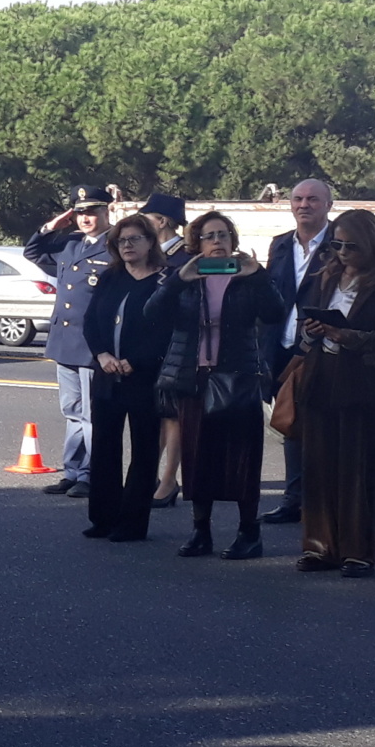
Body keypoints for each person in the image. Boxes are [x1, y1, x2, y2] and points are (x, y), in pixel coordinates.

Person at [145, 210, 284, 560]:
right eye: (210, 236)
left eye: (223, 235)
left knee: (242, 458)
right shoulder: (187, 278)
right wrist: (180, 278)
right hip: (195, 379)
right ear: (198, 243)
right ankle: (200, 530)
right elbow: (151, 314)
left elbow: (274, 314)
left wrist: (259, 276)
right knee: (197, 456)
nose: (217, 241)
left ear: (232, 241)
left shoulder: (246, 278)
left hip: (238, 378)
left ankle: (248, 532)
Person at [292, 210, 375, 576]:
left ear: (370, 244)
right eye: (336, 244)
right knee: (318, 467)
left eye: (350, 246)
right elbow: (305, 330)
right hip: (322, 376)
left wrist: (347, 336)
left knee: (358, 470)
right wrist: (312, 329)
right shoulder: (327, 276)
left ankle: (358, 550)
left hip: (361, 382)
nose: (341, 252)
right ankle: (319, 546)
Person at [80, 214, 173, 541]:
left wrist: (137, 361)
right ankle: (103, 517)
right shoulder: (111, 278)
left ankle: (132, 522)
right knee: (104, 445)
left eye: (134, 239)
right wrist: (102, 354)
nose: (128, 246)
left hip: (143, 377)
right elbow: (91, 321)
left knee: (145, 449)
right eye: (122, 241)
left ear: (151, 242)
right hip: (106, 374)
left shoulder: (164, 280)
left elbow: (166, 331)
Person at [23, 187, 112, 498]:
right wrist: (49, 228)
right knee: (72, 410)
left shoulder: (114, 247)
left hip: (91, 344)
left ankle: (91, 473)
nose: (85, 218)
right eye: (80, 213)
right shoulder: (71, 243)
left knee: (91, 413)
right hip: (65, 341)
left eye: (91, 212)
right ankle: (73, 471)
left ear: (105, 213)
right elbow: (33, 253)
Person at [260, 178, 336, 525]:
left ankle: (324, 501)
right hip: (283, 348)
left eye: (312, 200)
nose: (304, 205)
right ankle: (294, 500)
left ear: (328, 205)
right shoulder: (278, 246)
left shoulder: (341, 244)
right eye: (298, 199)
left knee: (324, 429)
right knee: (291, 425)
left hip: (324, 349)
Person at [138, 192, 189, 507]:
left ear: (162, 221)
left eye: (148, 218)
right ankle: (148, 476)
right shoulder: (150, 255)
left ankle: (169, 481)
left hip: (177, 345)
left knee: (173, 416)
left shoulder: (185, 257)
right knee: (155, 414)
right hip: (150, 345)